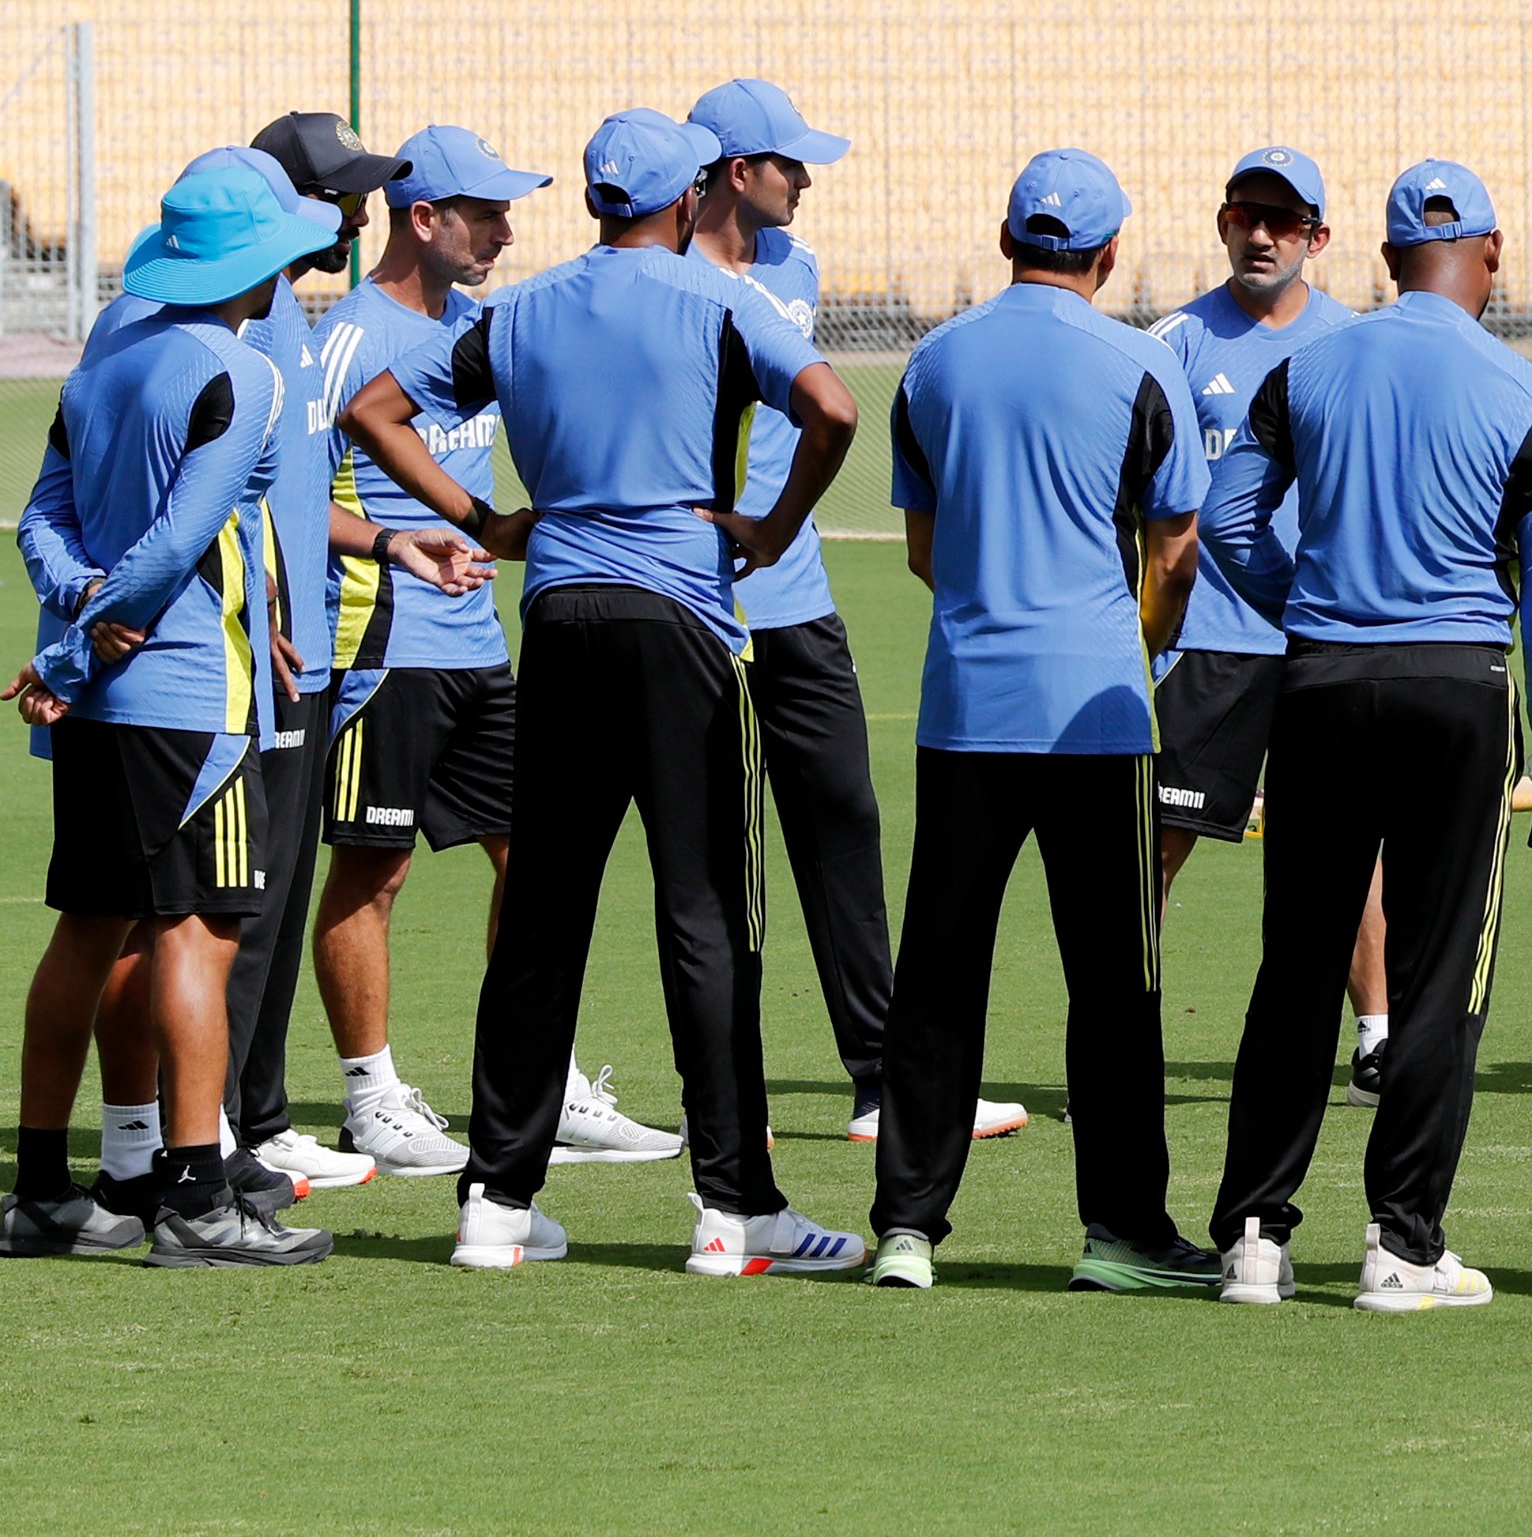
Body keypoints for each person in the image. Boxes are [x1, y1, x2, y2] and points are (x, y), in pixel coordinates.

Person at [343, 105, 868, 1276]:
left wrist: (487, 518)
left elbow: (372, 410)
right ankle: (736, 1211)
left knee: (541, 915)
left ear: (592, 202)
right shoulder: (722, 300)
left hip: (559, 623)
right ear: (686, 201)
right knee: (708, 916)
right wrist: (774, 530)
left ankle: (495, 1202)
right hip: (682, 622)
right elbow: (833, 410)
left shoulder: (517, 312)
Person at [9, 157, 473, 1264]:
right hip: (197, 704)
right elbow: (184, 536)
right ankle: (196, 1197)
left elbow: (41, 519)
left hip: (111, 705)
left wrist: (76, 618)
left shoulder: (108, 359)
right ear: (257, 261)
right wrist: (91, 638)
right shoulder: (243, 370)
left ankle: (41, 1190)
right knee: (202, 935)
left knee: (87, 929)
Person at [1197, 160, 1532, 1312]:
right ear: (1494, 251)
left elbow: (1229, 517)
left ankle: (1254, 1240)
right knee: (1436, 975)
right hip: (1458, 686)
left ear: (1379, 258)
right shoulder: (1529, 395)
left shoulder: (1307, 365)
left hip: (1321, 681)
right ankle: (1402, 1242)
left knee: (1299, 960)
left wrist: (1310, 602)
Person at [862, 150, 1212, 1295]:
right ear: (1109, 256)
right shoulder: (1140, 361)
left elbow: (923, 547)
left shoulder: (933, 361)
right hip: (1096, 710)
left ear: (1005, 236)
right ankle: (1120, 1231)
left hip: (966, 700)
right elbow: (1175, 549)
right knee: (1115, 980)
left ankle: (907, 1226)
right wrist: (1135, 637)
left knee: (939, 973)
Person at [689, 78, 1018, 1151]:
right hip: (697, 608)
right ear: (737, 172)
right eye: (790, 164)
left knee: (844, 821)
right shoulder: (669, 277)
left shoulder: (797, 266)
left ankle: (885, 1081)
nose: (807, 180)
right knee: (714, 854)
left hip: (800, 598)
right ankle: (725, 1101)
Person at [310, 126, 542, 1180]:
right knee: (375, 868)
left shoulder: (483, 325)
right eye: (483, 214)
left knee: (533, 854)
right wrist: (398, 547)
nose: (502, 232)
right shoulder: (347, 342)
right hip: (380, 641)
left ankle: (537, 1075)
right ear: (422, 218)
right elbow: (288, 497)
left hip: (477, 641)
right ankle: (371, 1096)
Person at [1145, 147, 1381, 1101]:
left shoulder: (1356, 342)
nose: (1263, 233)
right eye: (1248, 214)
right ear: (1222, 222)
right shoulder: (1174, 342)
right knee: (1154, 842)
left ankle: (1377, 1039)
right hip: (1209, 638)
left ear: (1317, 238)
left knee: (1354, 845)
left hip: (1324, 638)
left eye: (1285, 221)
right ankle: (1121, 1026)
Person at [220, 112, 406, 1196]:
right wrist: (267, 605)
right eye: (343, 196)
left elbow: (296, 494)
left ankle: (261, 1111)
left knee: (280, 892)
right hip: (256, 652)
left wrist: (386, 540)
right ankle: (222, 1129)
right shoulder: (242, 323)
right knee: (242, 903)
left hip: (304, 649)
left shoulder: (287, 308)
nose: (363, 213)